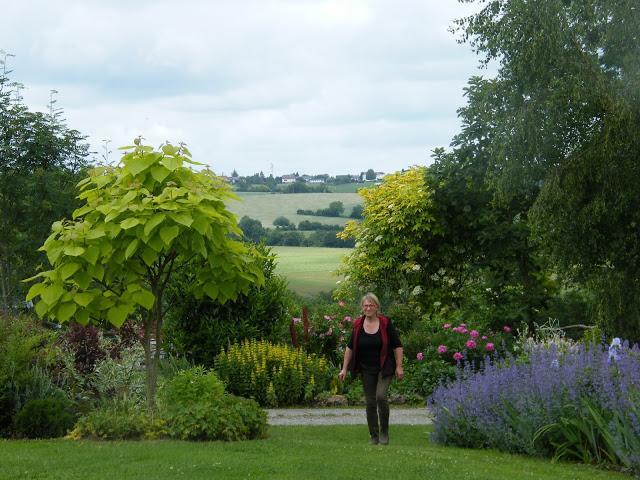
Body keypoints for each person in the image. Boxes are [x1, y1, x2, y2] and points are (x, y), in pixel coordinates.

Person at [339, 292, 404, 445]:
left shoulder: (385, 323)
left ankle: (384, 432)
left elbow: (397, 346)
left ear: (376, 307)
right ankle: (374, 436)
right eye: (365, 305)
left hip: (384, 367)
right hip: (366, 368)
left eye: (371, 305)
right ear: (362, 307)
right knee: (370, 402)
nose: (368, 308)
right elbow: (349, 348)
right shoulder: (357, 325)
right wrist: (344, 369)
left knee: (380, 396)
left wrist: (399, 366)